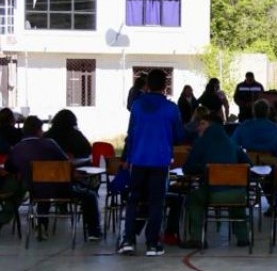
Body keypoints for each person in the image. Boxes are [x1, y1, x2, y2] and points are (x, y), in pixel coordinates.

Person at [118, 69, 185, 257]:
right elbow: (179, 136)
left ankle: (128, 240)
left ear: (147, 84)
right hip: (160, 160)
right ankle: (152, 243)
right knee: (157, 201)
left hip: (138, 159)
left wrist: (126, 158)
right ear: (165, 86)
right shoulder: (171, 108)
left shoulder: (137, 106)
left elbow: (130, 134)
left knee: (133, 200)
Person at [5, 115, 102, 240]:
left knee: (42, 191)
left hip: (34, 190)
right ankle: (94, 232)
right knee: (90, 195)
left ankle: (41, 225)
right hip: (60, 189)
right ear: (39, 130)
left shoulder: (17, 149)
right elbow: (66, 163)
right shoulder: (49, 144)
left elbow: (9, 167)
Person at [180, 115, 252, 249]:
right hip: (238, 194)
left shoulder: (201, 143)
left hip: (212, 193)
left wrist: (203, 169)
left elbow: (187, 169)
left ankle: (197, 238)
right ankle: (243, 237)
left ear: (208, 125)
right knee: (235, 194)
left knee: (194, 198)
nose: (198, 128)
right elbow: (248, 164)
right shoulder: (232, 143)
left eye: (201, 124)